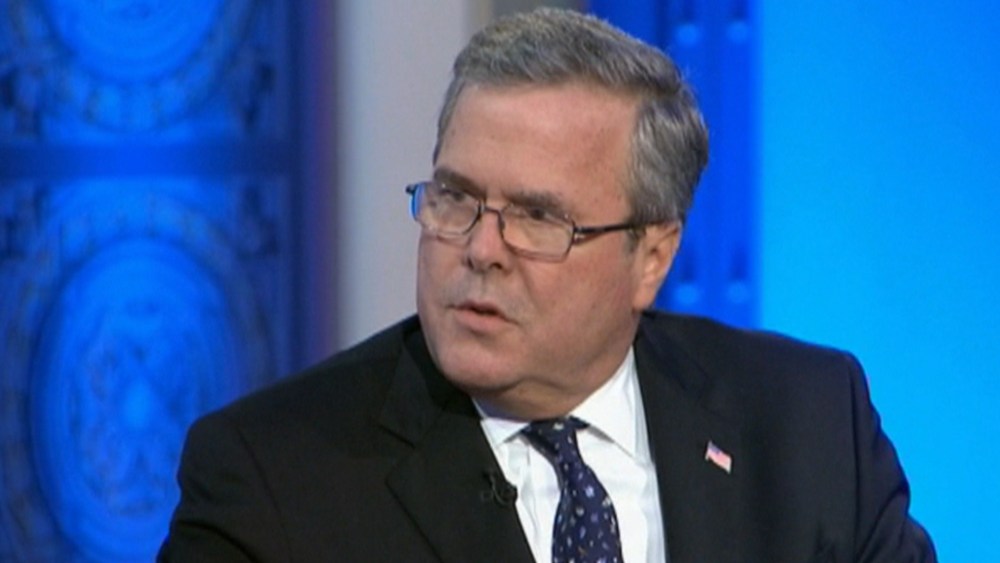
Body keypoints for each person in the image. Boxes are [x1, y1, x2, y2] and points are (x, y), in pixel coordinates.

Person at [159, 7, 935, 562]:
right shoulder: (272, 477)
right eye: (456, 198)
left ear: (652, 256)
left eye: (538, 217)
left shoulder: (809, 424)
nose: (480, 249)